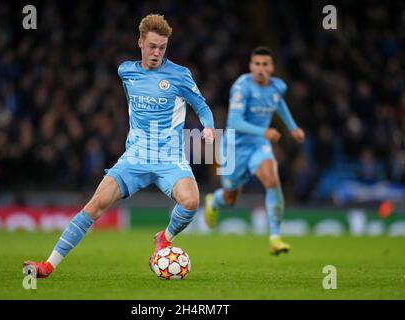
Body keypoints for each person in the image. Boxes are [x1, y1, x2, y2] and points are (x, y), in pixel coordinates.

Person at [24, 14, 215, 278]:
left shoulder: (180, 75)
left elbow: (202, 106)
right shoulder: (126, 71)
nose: (157, 52)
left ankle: (164, 237)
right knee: (94, 205)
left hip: (169, 158)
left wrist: (207, 127)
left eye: (162, 47)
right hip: (135, 157)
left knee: (191, 201)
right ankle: (47, 266)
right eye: (152, 46)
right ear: (140, 43)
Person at [204, 46, 305, 255]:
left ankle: (275, 237)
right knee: (231, 198)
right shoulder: (242, 87)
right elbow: (234, 121)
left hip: (259, 145)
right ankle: (214, 200)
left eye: (265, 64)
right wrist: (264, 130)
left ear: (272, 67)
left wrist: (292, 127)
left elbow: (278, 104)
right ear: (250, 66)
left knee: (271, 180)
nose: (260, 69)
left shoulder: (278, 87)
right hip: (234, 146)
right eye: (256, 64)